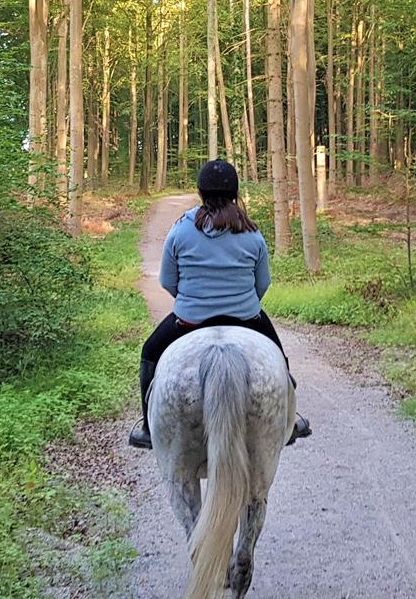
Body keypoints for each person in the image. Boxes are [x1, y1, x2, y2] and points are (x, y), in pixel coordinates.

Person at [128, 160, 310, 449]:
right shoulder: (252, 232)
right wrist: (242, 304)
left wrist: (192, 301)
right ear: (235, 193)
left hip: (189, 318)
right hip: (247, 317)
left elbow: (166, 280)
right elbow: (262, 283)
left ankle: (148, 428)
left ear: (200, 192)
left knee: (150, 351)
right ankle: (290, 419)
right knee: (278, 356)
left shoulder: (180, 229)